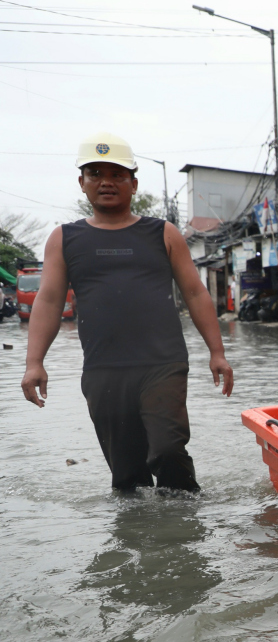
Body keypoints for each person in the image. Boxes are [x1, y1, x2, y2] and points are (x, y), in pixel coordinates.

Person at [20, 132, 233, 493]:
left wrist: (217, 352)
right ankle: (135, 535)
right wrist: (33, 362)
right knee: (126, 476)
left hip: (162, 363)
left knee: (168, 450)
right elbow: (50, 300)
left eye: (118, 174)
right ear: (82, 183)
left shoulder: (163, 233)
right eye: (95, 173)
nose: (106, 181)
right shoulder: (64, 238)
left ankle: (184, 532)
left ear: (134, 184)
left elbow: (195, 292)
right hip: (103, 369)